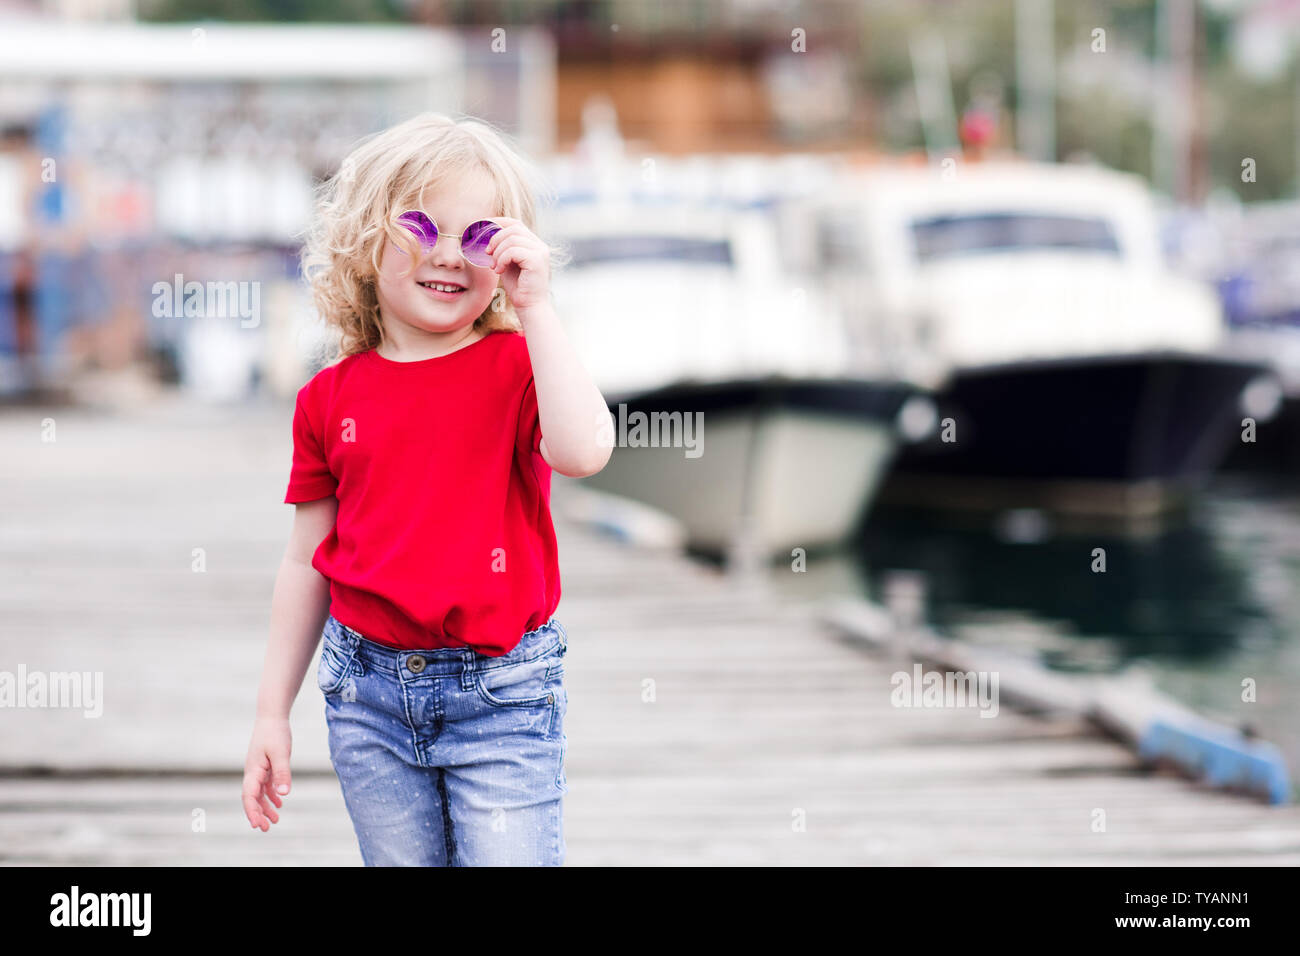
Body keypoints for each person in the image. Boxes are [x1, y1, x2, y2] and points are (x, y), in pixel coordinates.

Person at [240, 112, 611, 866]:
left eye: (478, 237)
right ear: (365, 239)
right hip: (367, 697)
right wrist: (271, 712)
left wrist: (537, 307)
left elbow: (585, 450)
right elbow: (305, 561)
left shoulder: (517, 367)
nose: (448, 255)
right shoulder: (328, 399)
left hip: (502, 696)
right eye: (421, 227)